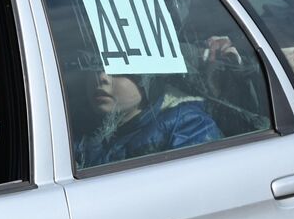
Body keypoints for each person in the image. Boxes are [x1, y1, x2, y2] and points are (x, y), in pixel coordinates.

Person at [74, 70, 222, 168]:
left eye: (118, 69)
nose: (102, 77)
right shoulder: (70, 127)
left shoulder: (188, 126)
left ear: (148, 78)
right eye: (93, 65)